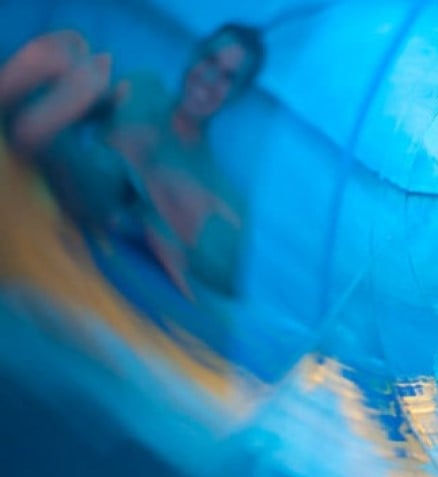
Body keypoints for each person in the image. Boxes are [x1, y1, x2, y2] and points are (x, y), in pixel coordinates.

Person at [0, 23, 265, 299]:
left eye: (227, 78)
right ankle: (32, 127)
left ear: (237, 94)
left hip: (113, 206)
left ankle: (32, 131)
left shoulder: (219, 191)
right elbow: (87, 107)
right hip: (72, 158)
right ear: (195, 55)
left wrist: (160, 215)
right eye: (210, 59)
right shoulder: (143, 88)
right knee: (67, 49)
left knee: (114, 172)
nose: (209, 79)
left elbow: (220, 284)